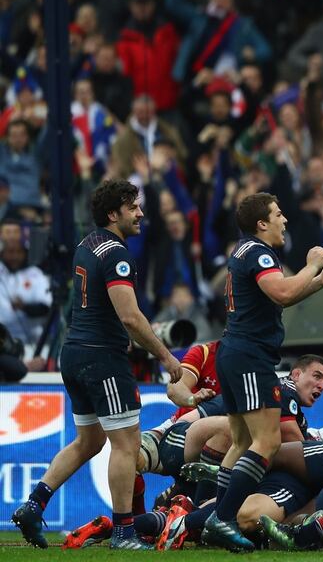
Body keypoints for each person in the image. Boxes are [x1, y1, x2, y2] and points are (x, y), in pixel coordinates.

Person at [12, 180, 184, 550]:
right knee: (126, 445)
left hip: (74, 352)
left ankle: (34, 503)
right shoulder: (117, 254)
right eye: (132, 207)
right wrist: (168, 358)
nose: (140, 213)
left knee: (88, 441)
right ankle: (124, 532)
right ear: (113, 214)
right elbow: (131, 317)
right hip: (102, 358)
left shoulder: (85, 245)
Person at [203, 192, 323, 552]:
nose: (285, 220)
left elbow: (278, 295)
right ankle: (222, 517)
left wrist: (317, 283)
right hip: (251, 356)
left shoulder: (243, 251)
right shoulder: (258, 251)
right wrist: (312, 265)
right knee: (268, 441)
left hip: (235, 352)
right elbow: (281, 292)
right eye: (278, 214)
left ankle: (215, 519)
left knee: (241, 442)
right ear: (261, 223)